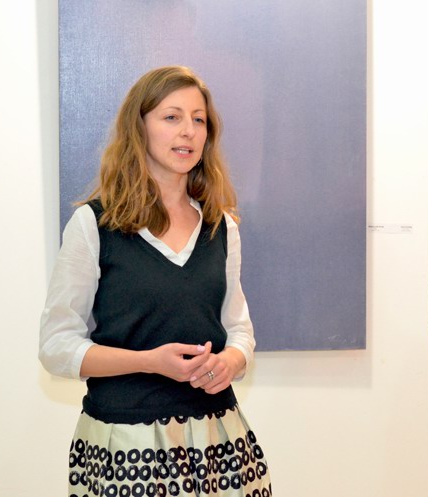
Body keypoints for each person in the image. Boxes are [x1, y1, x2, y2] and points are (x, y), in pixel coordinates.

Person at [39, 66, 272, 497]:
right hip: (124, 444)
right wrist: (149, 361)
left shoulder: (222, 227)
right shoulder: (94, 224)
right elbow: (56, 347)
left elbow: (239, 330)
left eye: (199, 120)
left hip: (217, 445)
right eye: (171, 117)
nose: (188, 131)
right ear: (139, 126)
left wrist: (230, 362)